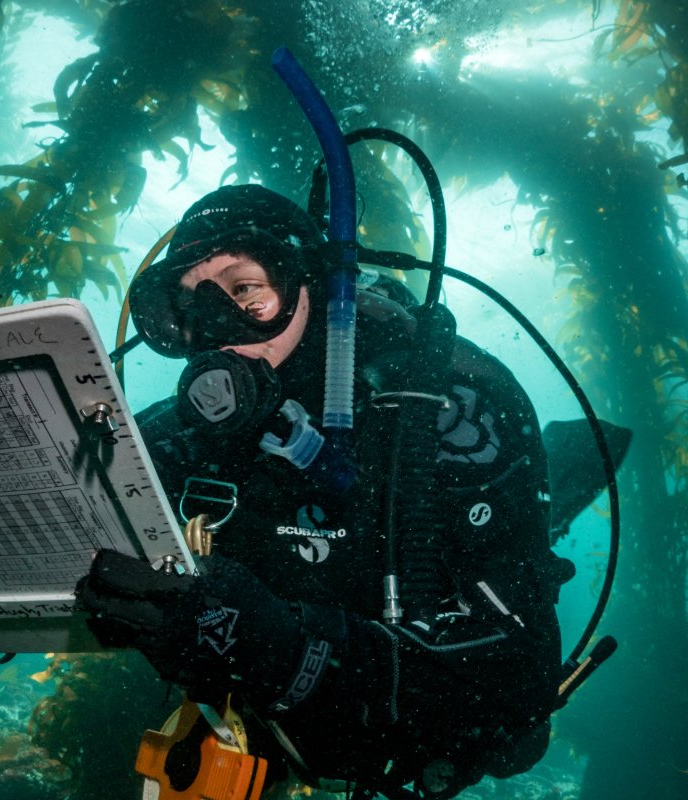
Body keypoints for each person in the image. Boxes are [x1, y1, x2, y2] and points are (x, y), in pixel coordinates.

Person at [75, 184, 575, 798]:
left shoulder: (450, 413)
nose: (219, 328)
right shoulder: (190, 428)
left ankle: (553, 503)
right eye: (190, 304)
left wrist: (290, 651)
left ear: (311, 282)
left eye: (247, 290)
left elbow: (518, 699)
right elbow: (62, 502)